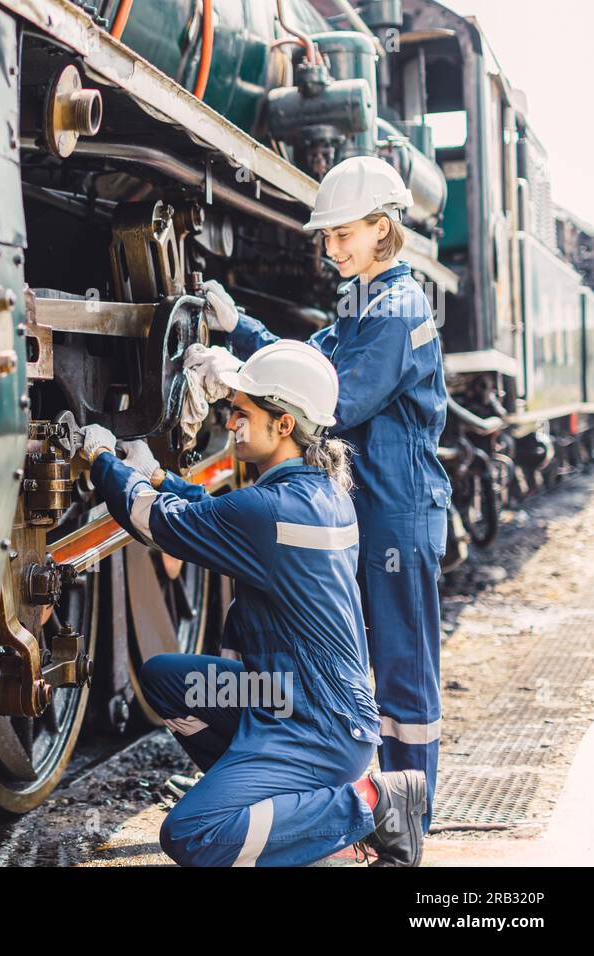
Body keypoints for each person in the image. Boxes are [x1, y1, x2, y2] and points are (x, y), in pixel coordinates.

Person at [80, 340, 427, 867]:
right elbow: (223, 518)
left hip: (315, 723)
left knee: (191, 835)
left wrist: (102, 459)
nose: (233, 424)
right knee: (166, 680)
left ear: (283, 424)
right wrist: (155, 475)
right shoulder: (319, 492)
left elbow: (163, 524)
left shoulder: (271, 509)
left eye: (242, 414)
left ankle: (372, 806)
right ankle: (270, 799)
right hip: (296, 701)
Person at [201, 156, 451, 841]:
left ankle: (409, 820)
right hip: (372, 505)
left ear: (382, 229)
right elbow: (310, 363)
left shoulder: (398, 309)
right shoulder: (364, 304)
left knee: (403, 670)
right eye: (328, 236)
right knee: (366, 664)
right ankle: (377, 805)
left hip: (398, 510)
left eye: (344, 233)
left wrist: (236, 373)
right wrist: (241, 330)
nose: (331, 247)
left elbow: (335, 397)